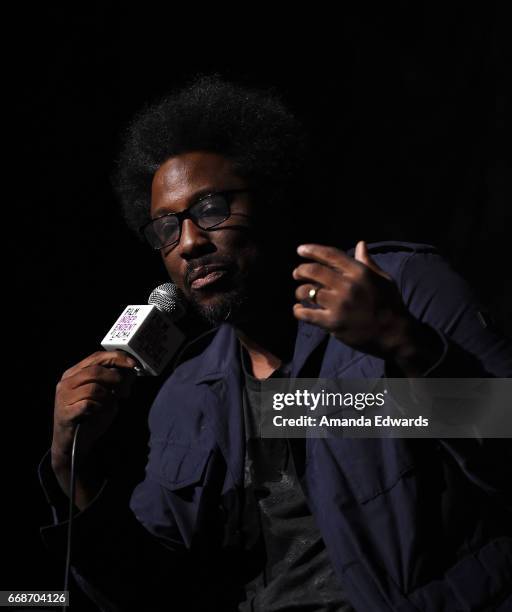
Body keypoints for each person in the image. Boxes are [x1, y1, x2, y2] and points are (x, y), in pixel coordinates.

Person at [39, 76, 512, 611]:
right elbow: (147, 592)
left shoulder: (398, 287)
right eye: (166, 228)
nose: (190, 241)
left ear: (276, 196)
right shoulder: (188, 392)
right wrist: (73, 468)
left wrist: (407, 346)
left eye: (213, 208)